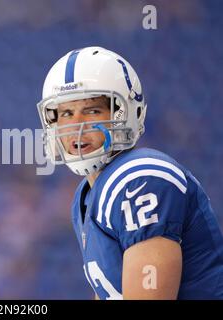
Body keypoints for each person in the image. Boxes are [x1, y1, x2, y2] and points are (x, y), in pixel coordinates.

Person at [36, 46, 223, 299]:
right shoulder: (87, 195)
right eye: (66, 113)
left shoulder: (140, 177)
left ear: (127, 112)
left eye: (92, 110)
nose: (76, 125)